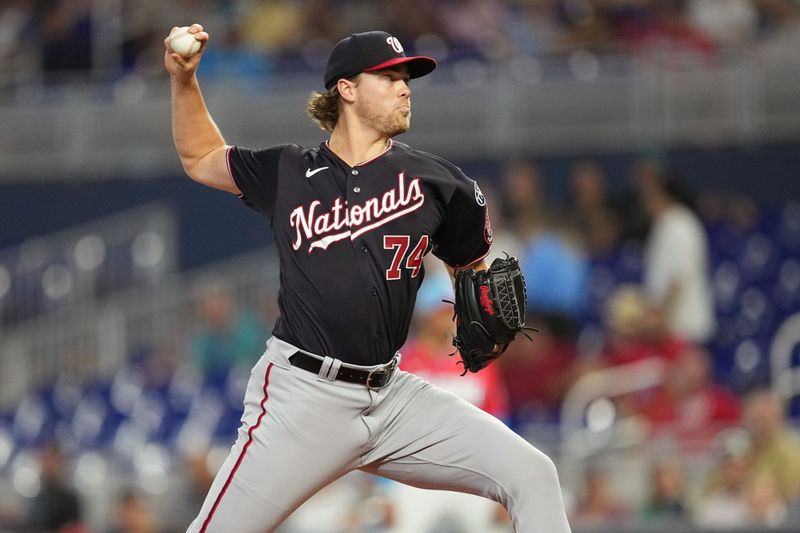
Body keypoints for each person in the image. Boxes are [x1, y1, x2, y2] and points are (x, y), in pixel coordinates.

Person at [165, 25, 571, 533]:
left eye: (407, 78)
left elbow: (472, 266)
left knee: (533, 473)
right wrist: (184, 82)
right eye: (389, 76)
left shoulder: (439, 184)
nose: (405, 87)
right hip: (303, 398)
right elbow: (201, 158)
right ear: (347, 89)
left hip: (393, 397)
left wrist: (475, 292)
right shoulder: (290, 172)